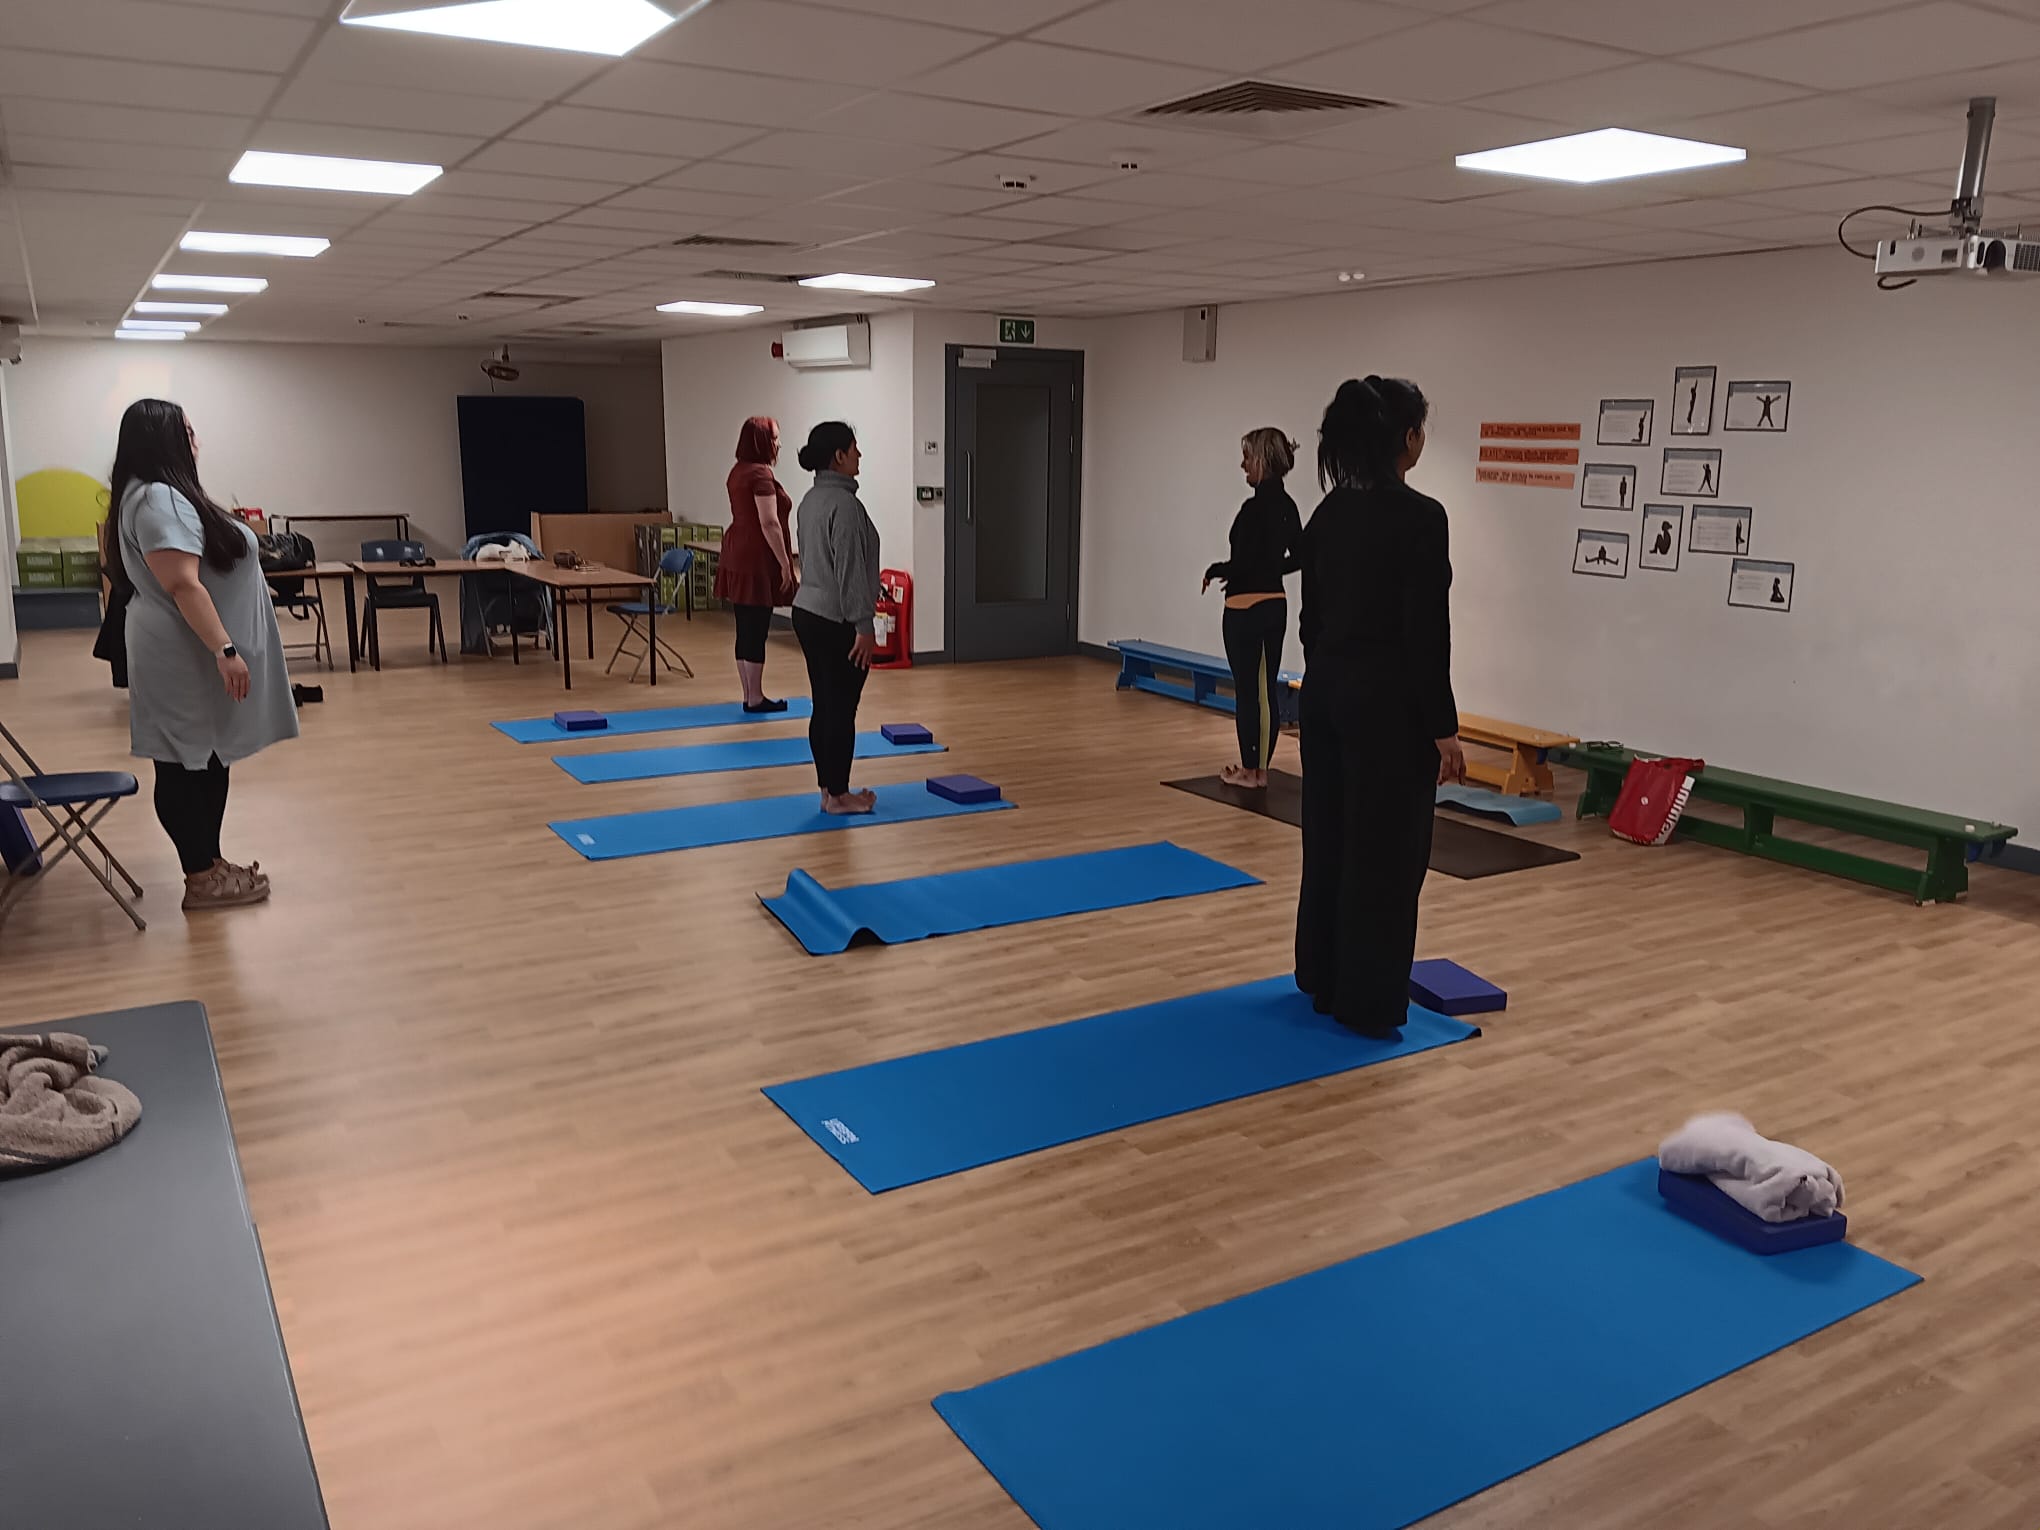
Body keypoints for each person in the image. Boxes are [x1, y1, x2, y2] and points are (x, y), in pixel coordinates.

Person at [1294, 377, 1464, 1040]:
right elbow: (1426, 633)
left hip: (1326, 696)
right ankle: (1365, 1002)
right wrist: (1444, 728)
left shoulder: (1328, 513)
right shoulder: (1420, 517)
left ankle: (1322, 977)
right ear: (1407, 438)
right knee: (1386, 856)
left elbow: (1310, 621)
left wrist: (1328, 678)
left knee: (1329, 839)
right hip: (1387, 711)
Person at [102, 399, 296, 911]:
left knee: (206, 758)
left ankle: (210, 863)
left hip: (187, 651)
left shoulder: (154, 495)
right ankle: (200, 875)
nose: (196, 441)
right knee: (185, 763)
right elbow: (183, 584)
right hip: (182, 654)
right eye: (188, 432)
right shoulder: (158, 499)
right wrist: (225, 649)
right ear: (164, 439)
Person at [1202, 427, 1302, 789]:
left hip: (1247, 611)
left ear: (1262, 461)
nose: (1243, 465)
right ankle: (1256, 769)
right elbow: (1295, 557)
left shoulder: (1254, 510)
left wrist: (1218, 569)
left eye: (1247, 457)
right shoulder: (1287, 507)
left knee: (1250, 693)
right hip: (1273, 606)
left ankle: (1253, 772)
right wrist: (1264, 571)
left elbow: (1245, 562)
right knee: (1261, 691)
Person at [790, 421, 880, 815]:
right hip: (836, 619)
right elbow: (850, 571)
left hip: (808, 612)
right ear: (839, 456)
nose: (859, 455)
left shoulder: (810, 500)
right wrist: (864, 624)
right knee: (841, 708)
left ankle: (829, 791)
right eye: (854, 448)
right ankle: (840, 796)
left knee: (825, 705)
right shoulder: (845, 506)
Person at [716, 416, 797, 712]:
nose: (778, 444)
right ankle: (755, 697)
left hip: (737, 552)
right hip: (756, 558)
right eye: (774, 438)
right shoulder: (761, 475)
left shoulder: (737, 471)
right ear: (761, 441)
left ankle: (750, 694)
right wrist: (785, 563)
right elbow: (769, 523)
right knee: (756, 628)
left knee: (745, 626)